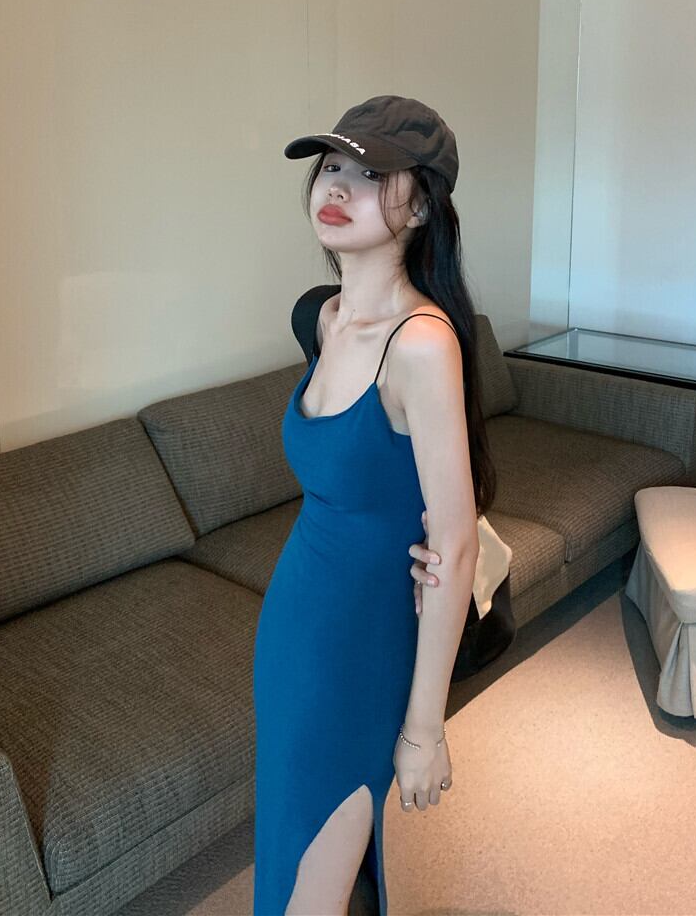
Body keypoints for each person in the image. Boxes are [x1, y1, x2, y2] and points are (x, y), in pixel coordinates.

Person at [253, 94, 497, 915]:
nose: (338, 186)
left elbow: (455, 543)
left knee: (312, 881)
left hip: (358, 647)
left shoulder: (421, 343)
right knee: (293, 852)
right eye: (331, 166)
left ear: (420, 206)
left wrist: (424, 727)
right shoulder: (322, 319)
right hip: (293, 629)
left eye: (370, 174)